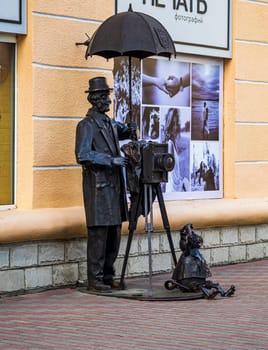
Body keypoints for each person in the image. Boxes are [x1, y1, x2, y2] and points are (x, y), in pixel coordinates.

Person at [75, 77, 136, 292]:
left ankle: (109, 275)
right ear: (94, 99)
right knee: (99, 235)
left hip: (114, 189)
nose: (108, 100)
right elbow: (83, 154)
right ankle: (96, 279)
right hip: (98, 189)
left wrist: (130, 128)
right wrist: (111, 160)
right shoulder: (87, 125)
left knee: (114, 233)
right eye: (104, 97)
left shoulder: (110, 123)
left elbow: (124, 131)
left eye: (108, 96)